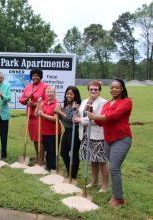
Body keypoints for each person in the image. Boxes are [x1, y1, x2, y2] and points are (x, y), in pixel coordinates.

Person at [89, 79, 132, 207]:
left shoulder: (126, 102)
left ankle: (118, 198)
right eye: (112, 87)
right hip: (108, 140)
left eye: (117, 87)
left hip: (122, 139)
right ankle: (115, 193)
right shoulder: (107, 104)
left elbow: (112, 116)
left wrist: (95, 116)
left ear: (122, 89)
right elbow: (101, 122)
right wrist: (93, 114)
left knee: (114, 168)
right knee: (113, 167)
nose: (114, 89)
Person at [73, 80, 109, 193]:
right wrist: (77, 111)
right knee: (92, 159)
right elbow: (82, 114)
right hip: (85, 134)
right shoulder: (84, 101)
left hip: (98, 135)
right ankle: (94, 181)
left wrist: (81, 120)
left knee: (102, 161)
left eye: (96, 89)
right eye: (91, 89)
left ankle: (105, 185)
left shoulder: (104, 102)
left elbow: (99, 118)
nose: (93, 91)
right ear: (88, 90)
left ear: (99, 91)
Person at [20, 68, 48, 163]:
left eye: (37, 75)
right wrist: (27, 98)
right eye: (33, 75)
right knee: (35, 138)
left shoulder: (45, 87)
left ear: (40, 76)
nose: (34, 77)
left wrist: (35, 104)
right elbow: (22, 100)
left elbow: (47, 101)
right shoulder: (28, 87)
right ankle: (38, 157)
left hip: (39, 116)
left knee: (40, 138)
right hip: (30, 116)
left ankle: (42, 159)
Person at [54, 86, 82, 183]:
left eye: (71, 94)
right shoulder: (66, 106)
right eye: (67, 93)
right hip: (67, 131)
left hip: (75, 130)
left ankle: (72, 176)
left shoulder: (77, 106)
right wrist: (58, 112)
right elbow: (63, 120)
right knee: (63, 152)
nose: (69, 96)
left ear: (75, 95)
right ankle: (69, 171)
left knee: (74, 153)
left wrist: (60, 112)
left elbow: (72, 119)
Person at [35, 86, 61, 173]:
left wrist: (43, 115)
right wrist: (38, 104)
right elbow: (36, 114)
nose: (49, 93)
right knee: (46, 149)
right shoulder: (43, 103)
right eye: (48, 92)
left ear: (55, 93)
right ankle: (48, 166)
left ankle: (53, 168)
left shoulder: (57, 104)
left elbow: (55, 119)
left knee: (52, 150)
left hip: (54, 132)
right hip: (44, 131)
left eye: (51, 92)